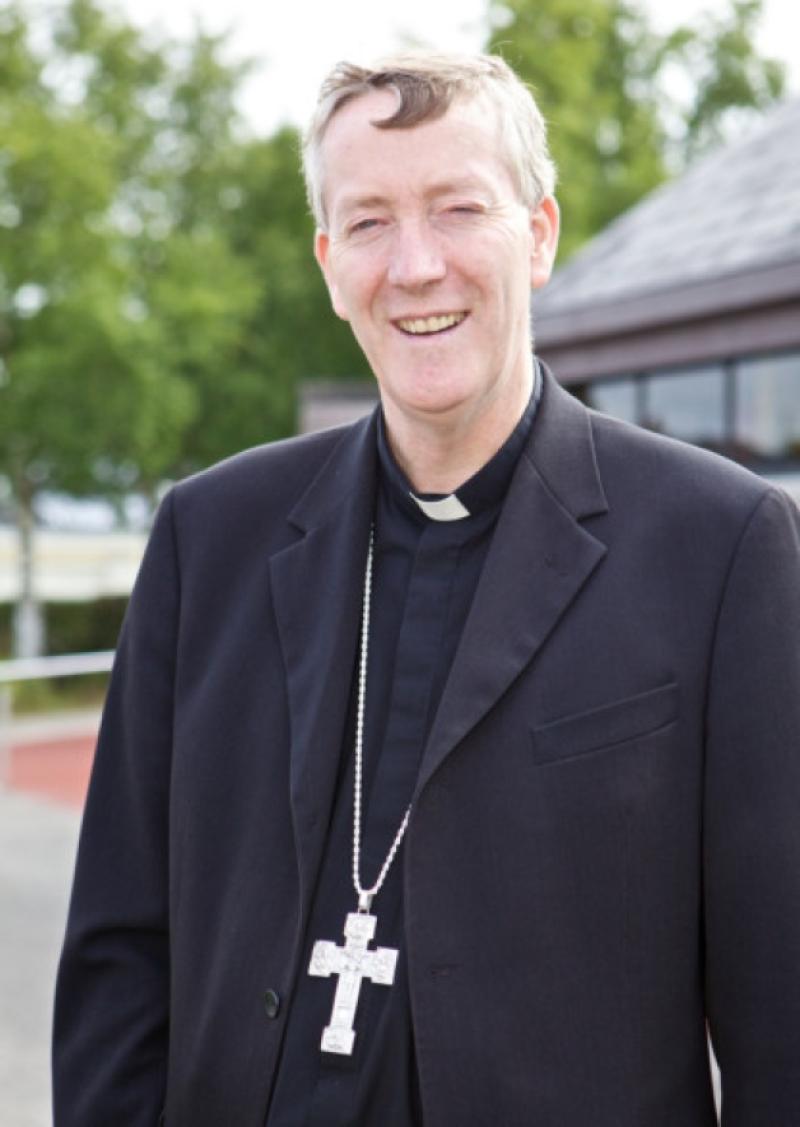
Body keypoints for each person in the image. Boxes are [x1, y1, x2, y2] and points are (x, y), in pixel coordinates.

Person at [53, 52, 800, 1127]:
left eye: (457, 209)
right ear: (326, 261)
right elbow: (117, 957)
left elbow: (781, 1012)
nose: (413, 267)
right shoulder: (205, 537)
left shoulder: (720, 547)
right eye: (367, 222)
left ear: (537, 234)